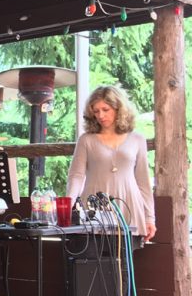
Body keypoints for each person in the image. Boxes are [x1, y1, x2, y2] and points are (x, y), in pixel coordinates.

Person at [67, 85, 156, 240]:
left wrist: (150, 217)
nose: (101, 115)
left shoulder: (137, 139)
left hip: (129, 205)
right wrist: (68, 205)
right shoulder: (86, 140)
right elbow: (76, 175)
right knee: (94, 260)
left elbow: (143, 182)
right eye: (96, 111)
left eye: (105, 109)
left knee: (124, 260)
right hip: (94, 206)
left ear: (118, 108)